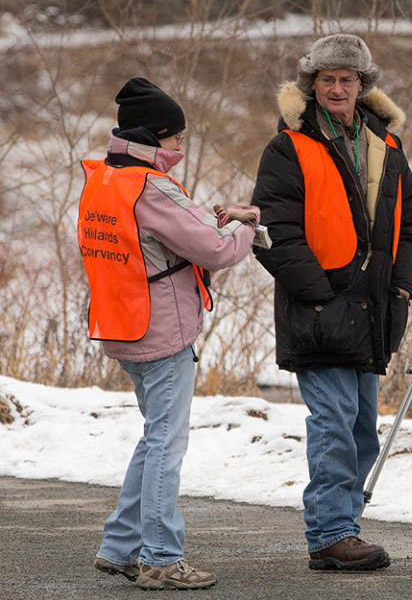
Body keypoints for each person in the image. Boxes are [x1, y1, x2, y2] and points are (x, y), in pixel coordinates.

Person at [79, 77, 259, 590]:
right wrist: (248, 223)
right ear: (156, 137)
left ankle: (119, 546)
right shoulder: (152, 186)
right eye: (177, 139)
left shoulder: (105, 177)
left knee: (153, 435)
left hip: (121, 323)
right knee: (165, 442)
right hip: (162, 330)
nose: (181, 147)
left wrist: (212, 221)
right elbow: (215, 250)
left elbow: (168, 232)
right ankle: (160, 556)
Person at [250, 34, 412, 571]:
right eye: (328, 79)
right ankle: (329, 533)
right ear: (313, 86)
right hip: (320, 311)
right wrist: (318, 292)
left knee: (361, 427)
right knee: (333, 422)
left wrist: (399, 286)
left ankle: (342, 527)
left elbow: (409, 223)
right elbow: (272, 228)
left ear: (362, 86)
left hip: (373, 311)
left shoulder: (386, 147)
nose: (338, 88)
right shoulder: (288, 146)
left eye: (348, 79)